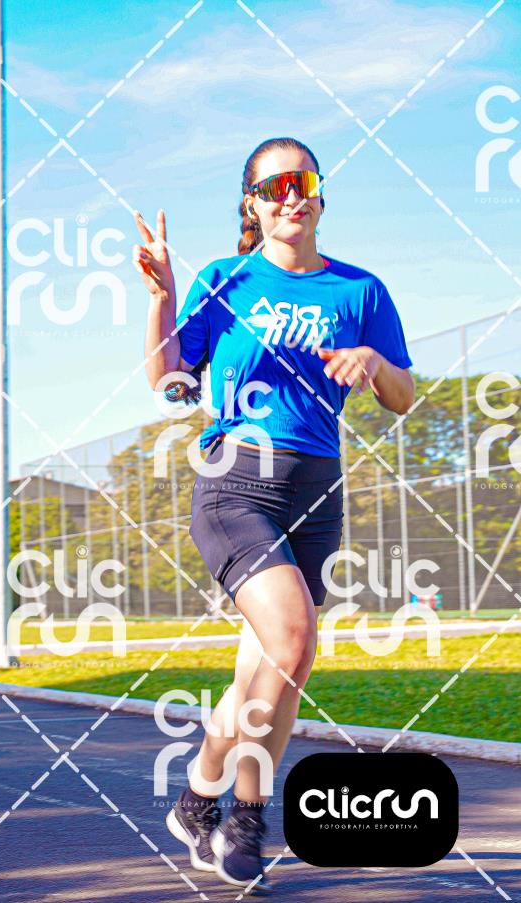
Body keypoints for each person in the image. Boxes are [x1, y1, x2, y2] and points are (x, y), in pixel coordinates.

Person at [134, 136, 414, 891]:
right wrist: (161, 296)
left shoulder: (361, 291)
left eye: (303, 181)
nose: (291, 195)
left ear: (319, 194)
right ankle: (243, 813)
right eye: (274, 186)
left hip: (317, 489)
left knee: (270, 669)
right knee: (293, 639)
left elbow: (402, 396)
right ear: (252, 206)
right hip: (236, 484)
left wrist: (374, 362)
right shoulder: (225, 281)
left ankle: (203, 801)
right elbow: (168, 379)